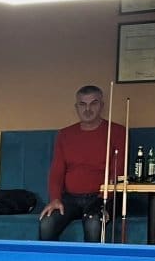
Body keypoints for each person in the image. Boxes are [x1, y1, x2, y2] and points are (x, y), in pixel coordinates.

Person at [39, 85, 127, 242]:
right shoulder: (65, 134)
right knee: (47, 222)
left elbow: (118, 171)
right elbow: (57, 170)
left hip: (102, 197)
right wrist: (55, 199)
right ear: (76, 107)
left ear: (102, 105)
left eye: (93, 103)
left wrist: (104, 198)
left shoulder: (118, 132)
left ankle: (91, 260)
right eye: (82, 104)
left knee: (93, 222)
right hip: (70, 199)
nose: (88, 109)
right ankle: (47, 259)